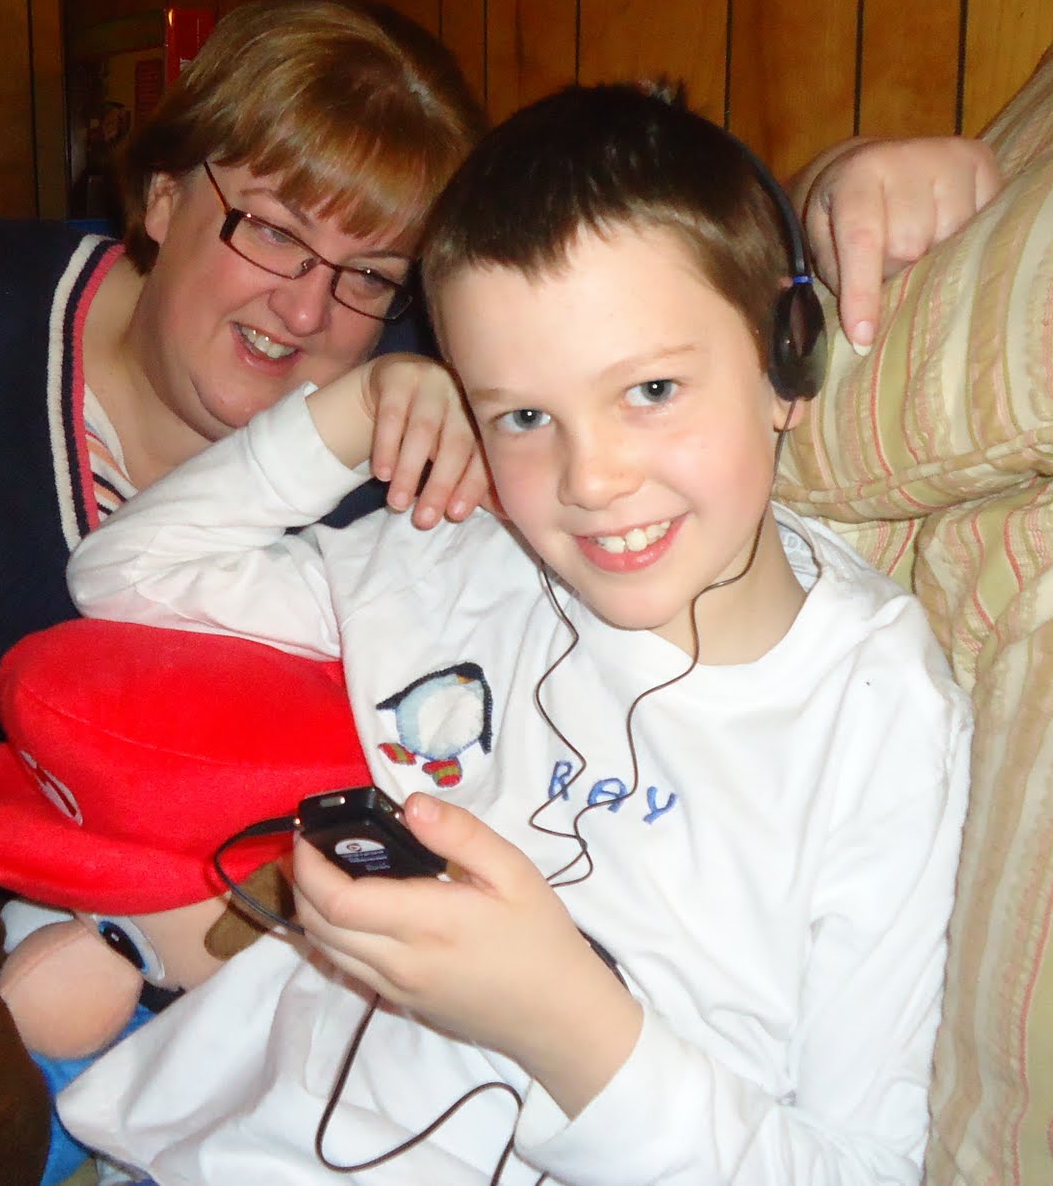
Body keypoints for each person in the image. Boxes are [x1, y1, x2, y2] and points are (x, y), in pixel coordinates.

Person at [0, 0, 992, 1182]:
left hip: (160, 997)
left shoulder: (457, 475)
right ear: (159, 194)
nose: (303, 302)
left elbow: (641, 282)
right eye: (270, 226)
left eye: (369, 272)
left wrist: (847, 185)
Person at [59, 82, 974, 1185]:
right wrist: (353, 414)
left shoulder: (876, 713)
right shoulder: (467, 563)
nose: (591, 479)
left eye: (651, 388)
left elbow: (865, 1167)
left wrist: (559, 1018)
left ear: (788, 365)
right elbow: (124, 577)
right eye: (524, 416)